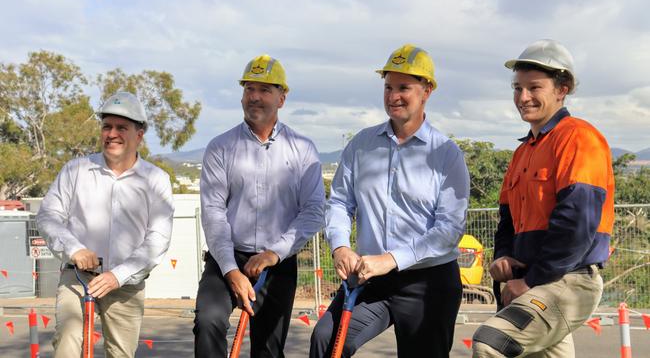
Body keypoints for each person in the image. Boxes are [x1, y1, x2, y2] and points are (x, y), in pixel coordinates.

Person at [310, 44, 470, 358]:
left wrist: (392, 259)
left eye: (403, 88)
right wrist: (340, 245)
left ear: (427, 91)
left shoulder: (446, 154)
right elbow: (341, 202)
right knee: (327, 340)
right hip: (372, 280)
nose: (393, 95)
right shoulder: (361, 145)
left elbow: (448, 230)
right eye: (388, 87)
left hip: (429, 281)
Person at [472, 39, 615, 357]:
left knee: (490, 343)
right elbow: (507, 219)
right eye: (517, 88)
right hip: (536, 282)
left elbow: (576, 225)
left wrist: (531, 281)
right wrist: (504, 257)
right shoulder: (523, 152)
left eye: (534, 87)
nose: (523, 97)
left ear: (562, 88)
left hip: (567, 282)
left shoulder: (578, 138)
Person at [194, 54, 325, 357]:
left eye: (264, 90)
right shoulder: (220, 147)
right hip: (227, 258)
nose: (254, 97)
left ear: (282, 97)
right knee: (208, 322)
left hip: (278, 263)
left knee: (268, 349)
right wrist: (231, 270)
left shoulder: (303, 149)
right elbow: (213, 213)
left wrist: (274, 253)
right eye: (249, 89)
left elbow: (314, 211)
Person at [37, 91, 175, 357]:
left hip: (127, 282)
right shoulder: (75, 170)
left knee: (121, 353)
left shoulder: (156, 180)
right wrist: (74, 249)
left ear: (139, 135)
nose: (112, 134)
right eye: (107, 127)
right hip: (77, 276)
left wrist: (118, 275)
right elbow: (48, 215)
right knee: (68, 340)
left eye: (122, 127)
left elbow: (158, 238)